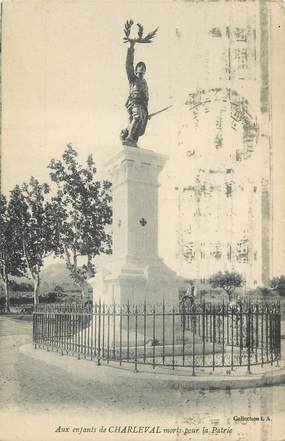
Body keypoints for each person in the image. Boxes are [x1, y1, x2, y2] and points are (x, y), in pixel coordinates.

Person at [120, 40, 149, 146]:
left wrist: (146, 113)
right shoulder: (133, 79)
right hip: (134, 103)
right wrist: (131, 48)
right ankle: (129, 137)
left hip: (143, 106)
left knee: (140, 125)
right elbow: (129, 65)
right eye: (140, 69)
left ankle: (129, 136)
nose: (142, 70)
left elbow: (146, 97)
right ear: (136, 70)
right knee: (136, 118)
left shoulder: (145, 82)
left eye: (143, 69)